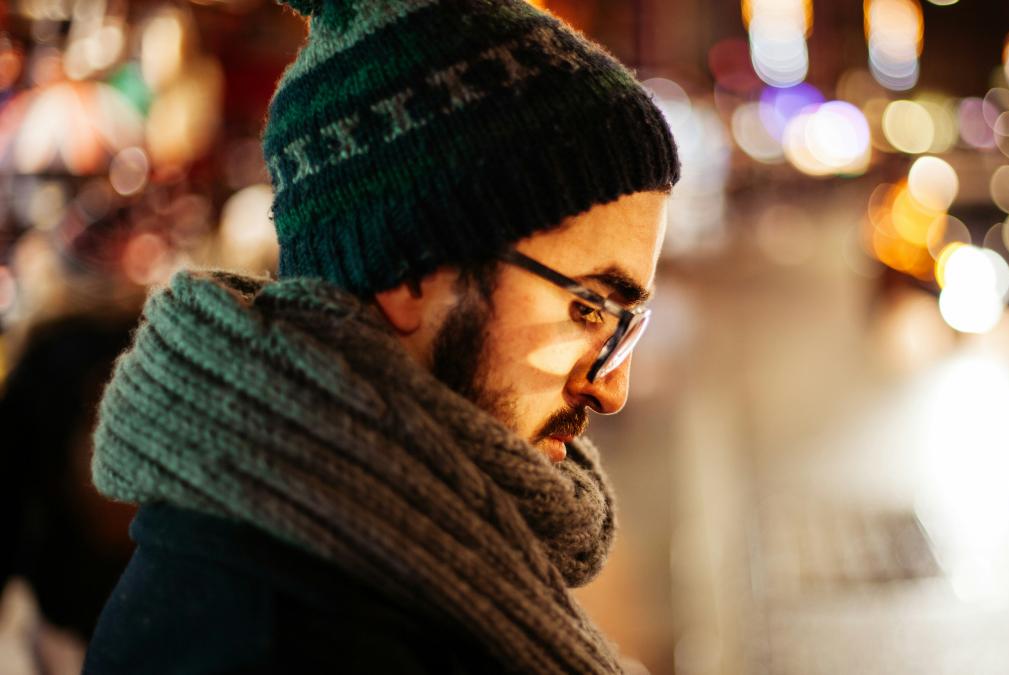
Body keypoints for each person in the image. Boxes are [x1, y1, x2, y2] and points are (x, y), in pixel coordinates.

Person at [82, 0, 679, 673]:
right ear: (413, 269)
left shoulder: (384, 566)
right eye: (592, 306)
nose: (612, 388)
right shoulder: (281, 639)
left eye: (626, 323)